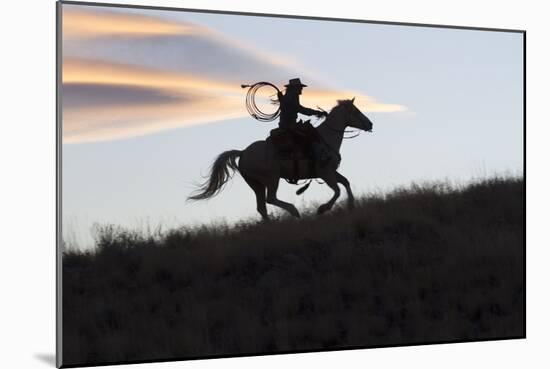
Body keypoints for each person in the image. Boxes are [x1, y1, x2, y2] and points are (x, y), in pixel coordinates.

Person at [277, 78, 329, 165]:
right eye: (300, 87)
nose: (301, 89)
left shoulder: (288, 96)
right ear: (295, 88)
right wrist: (316, 112)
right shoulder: (292, 95)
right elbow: (300, 109)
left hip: (286, 123)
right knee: (312, 133)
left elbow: (295, 108)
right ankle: (319, 158)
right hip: (289, 124)